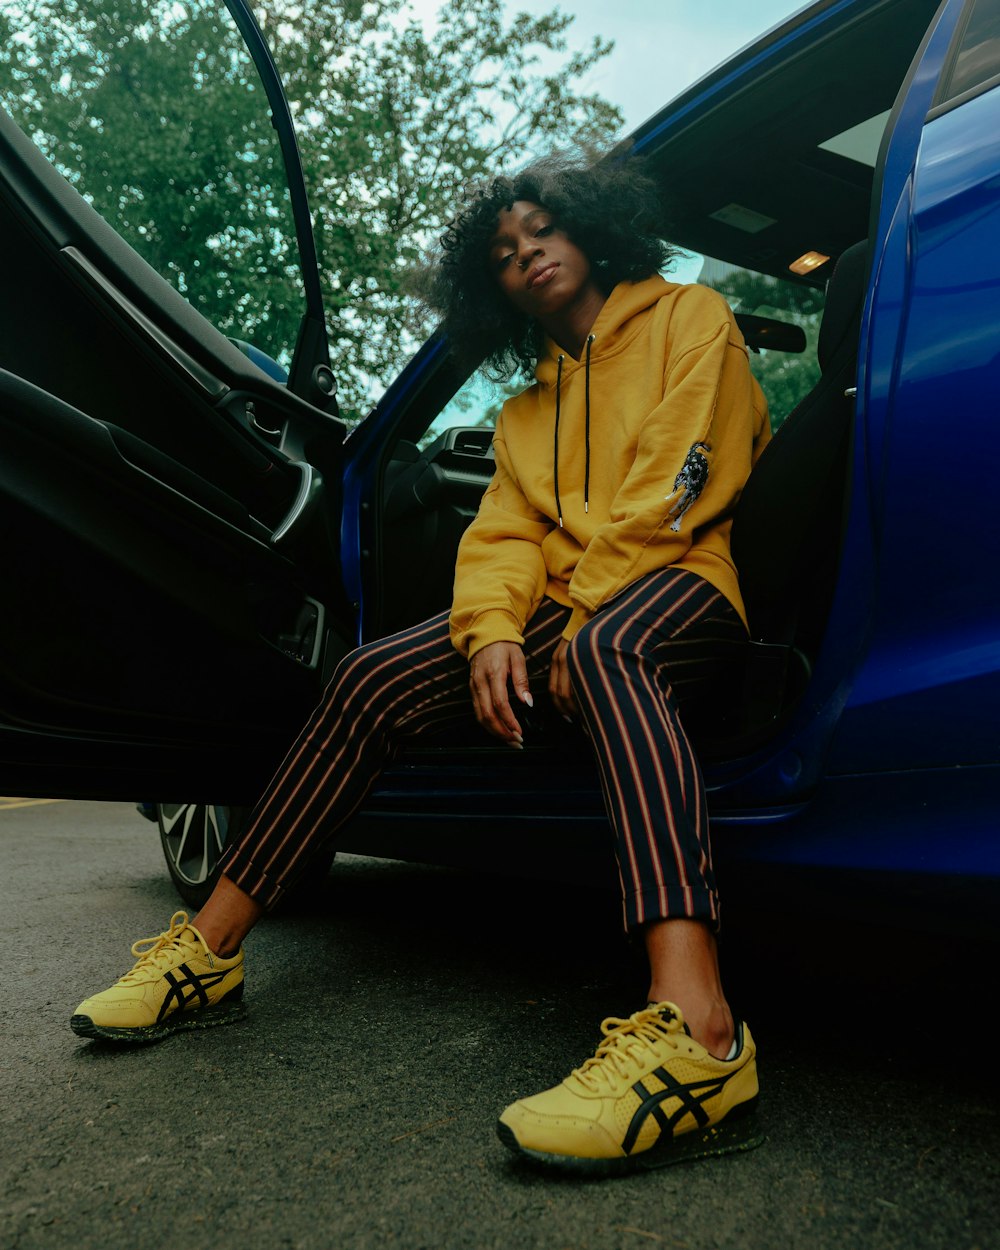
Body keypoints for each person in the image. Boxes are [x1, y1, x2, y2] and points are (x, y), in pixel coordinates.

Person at [72, 155, 771, 1176]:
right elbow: (500, 538)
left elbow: (683, 478)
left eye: (539, 229)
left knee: (613, 646)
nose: (524, 250)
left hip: (682, 584)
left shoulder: (687, 316)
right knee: (368, 677)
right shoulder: (527, 411)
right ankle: (205, 953)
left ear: (590, 231)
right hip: (569, 609)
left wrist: (577, 617)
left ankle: (699, 1027)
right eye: (501, 251)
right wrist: (491, 630)